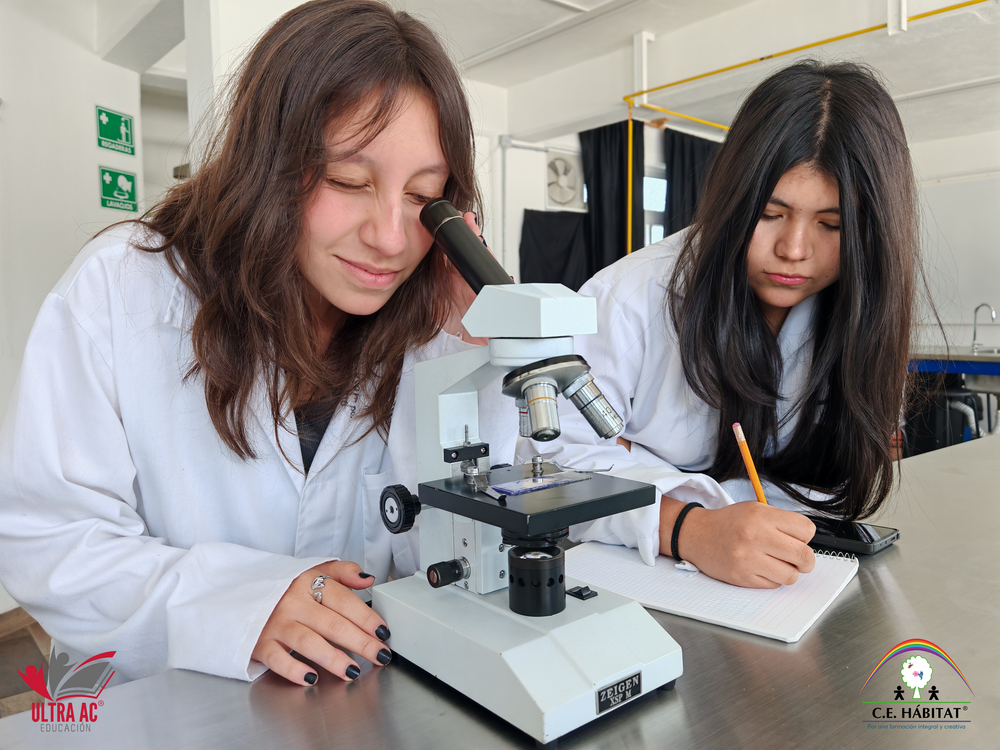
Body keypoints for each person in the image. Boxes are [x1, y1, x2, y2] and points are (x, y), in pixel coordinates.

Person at [0, 0, 515, 687]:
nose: (391, 239)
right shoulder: (122, 290)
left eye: (423, 197)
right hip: (161, 707)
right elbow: (50, 543)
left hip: (357, 703)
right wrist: (242, 603)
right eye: (348, 181)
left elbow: (453, 553)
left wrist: (471, 356)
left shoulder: (427, 323)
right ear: (268, 163)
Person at [519, 61, 918, 589]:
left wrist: (644, 461)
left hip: (790, 577)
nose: (794, 249)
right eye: (770, 214)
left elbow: (836, 469)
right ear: (735, 197)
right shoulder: (631, 296)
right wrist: (689, 527)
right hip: (643, 576)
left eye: (832, 224)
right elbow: (548, 463)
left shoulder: (864, 312)